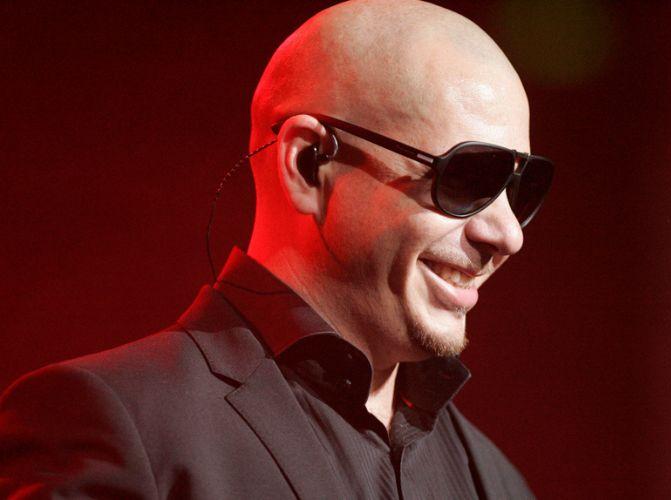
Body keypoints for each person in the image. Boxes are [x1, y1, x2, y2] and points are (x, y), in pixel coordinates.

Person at [0, 0, 553, 498]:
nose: (509, 234)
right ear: (309, 163)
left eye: (521, 189)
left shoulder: (497, 481)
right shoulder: (108, 424)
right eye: (468, 178)